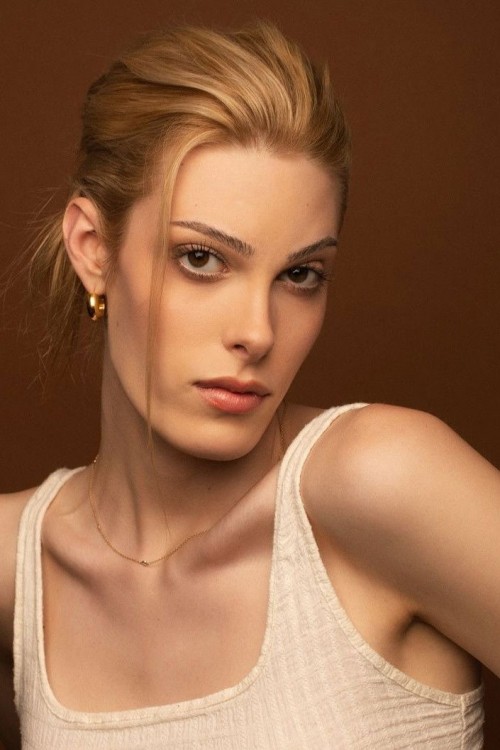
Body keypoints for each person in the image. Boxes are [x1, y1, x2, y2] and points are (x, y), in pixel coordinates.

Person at [0, 21, 498, 750]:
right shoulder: (19, 569)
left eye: (300, 274)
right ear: (93, 248)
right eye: (201, 259)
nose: (258, 331)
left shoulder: (380, 480)